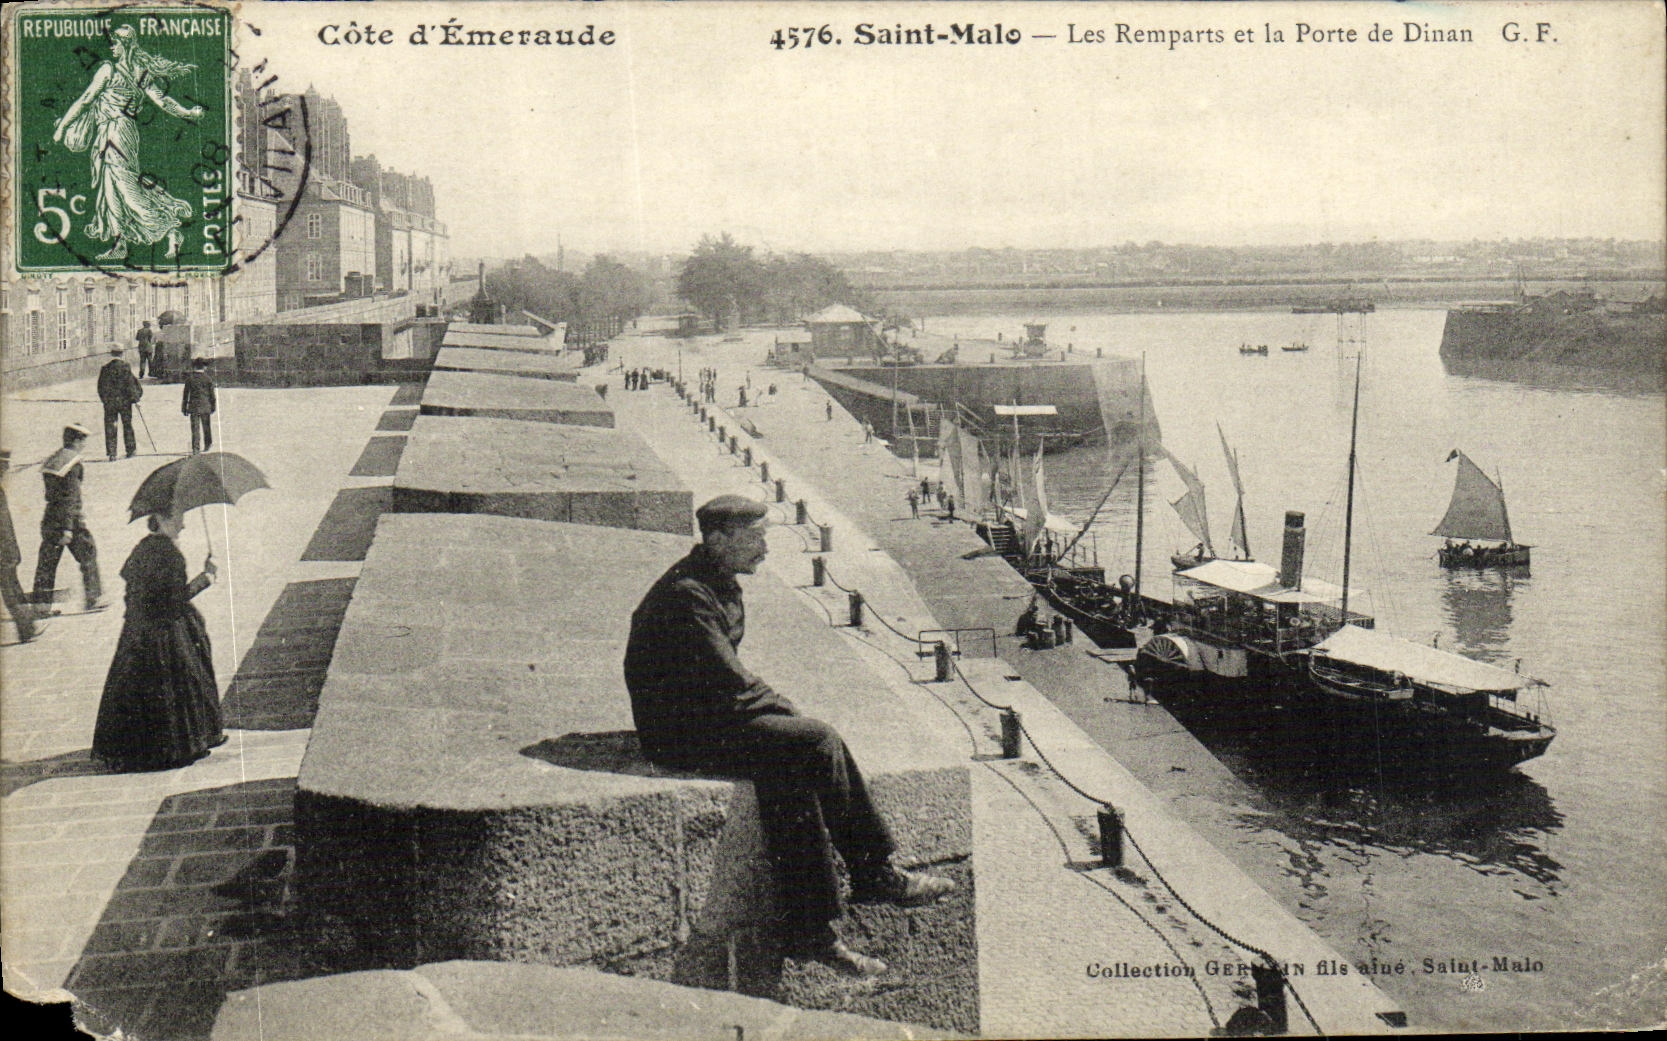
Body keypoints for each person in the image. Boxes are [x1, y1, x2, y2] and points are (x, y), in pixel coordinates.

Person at [623, 496, 954, 977]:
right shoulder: (689, 595)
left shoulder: (714, 582)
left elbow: (723, 681)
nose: (764, 549)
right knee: (815, 740)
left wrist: (778, 715)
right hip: (678, 731)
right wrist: (784, 709)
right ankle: (873, 874)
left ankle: (812, 932)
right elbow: (729, 678)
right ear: (717, 540)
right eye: (755, 538)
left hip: (701, 715)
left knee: (791, 767)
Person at [51, 24, 205, 261]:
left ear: (125, 45)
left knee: (125, 188)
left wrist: (62, 127)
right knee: (110, 188)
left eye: (115, 43)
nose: (111, 47)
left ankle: (170, 228)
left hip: (115, 133)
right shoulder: (139, 72)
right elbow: (163, 101)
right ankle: (119, 241)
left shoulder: (108, 70)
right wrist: (188, 112)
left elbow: (85, 100)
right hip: (121, 133)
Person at [92, 509, 224, 771]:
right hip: (166, 635)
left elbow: (135, 597)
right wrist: (205, 579)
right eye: (178, 518)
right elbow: (174, 601)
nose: (183, 525)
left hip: (138, 633)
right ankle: (175, 746)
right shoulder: (169, 555)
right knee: (179, 684)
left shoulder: (143, 548)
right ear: (162, 520)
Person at [32, 424, 104, 613]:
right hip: (70, 521)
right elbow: (70, 497)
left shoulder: (54, 460)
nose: (84, 445)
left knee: (47, 563)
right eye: (83, 441)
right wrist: (67, 527)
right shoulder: (73, 464)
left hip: (50, 518)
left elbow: (53, 495)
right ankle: (94, 598)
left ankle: (41, 606)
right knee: (88, 554)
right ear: (77, 440)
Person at [1, 451, 45, 643]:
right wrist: (11, 554)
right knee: (11, 589)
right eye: (4, 468)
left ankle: (27, 626)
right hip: (3, 553)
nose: (6, 472)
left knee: (12, 589)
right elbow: (3, 527)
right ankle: (26, 628)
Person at [97, 347, 143, 461]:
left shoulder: (105, 368)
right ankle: (130, 450)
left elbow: (101, 387)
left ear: (111, 353)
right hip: (125, 402)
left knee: (110, 426)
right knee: (127, 425)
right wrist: (136, 400)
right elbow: (131, 384)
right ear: (122, 354)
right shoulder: (125, 367)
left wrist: (105, 400)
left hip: (110, 403)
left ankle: (112, 453)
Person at [182, 358, 216, 454]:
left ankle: (196, 448)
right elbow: (212, 395)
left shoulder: (190, 379)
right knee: (206, 426)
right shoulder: (208, 379)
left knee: (195, 428)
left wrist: (184, 408)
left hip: (194, 407)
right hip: (206, 406)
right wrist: (213, 406)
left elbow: (185, 395)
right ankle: (208, 444)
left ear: (195, 367)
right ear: (204, 367)